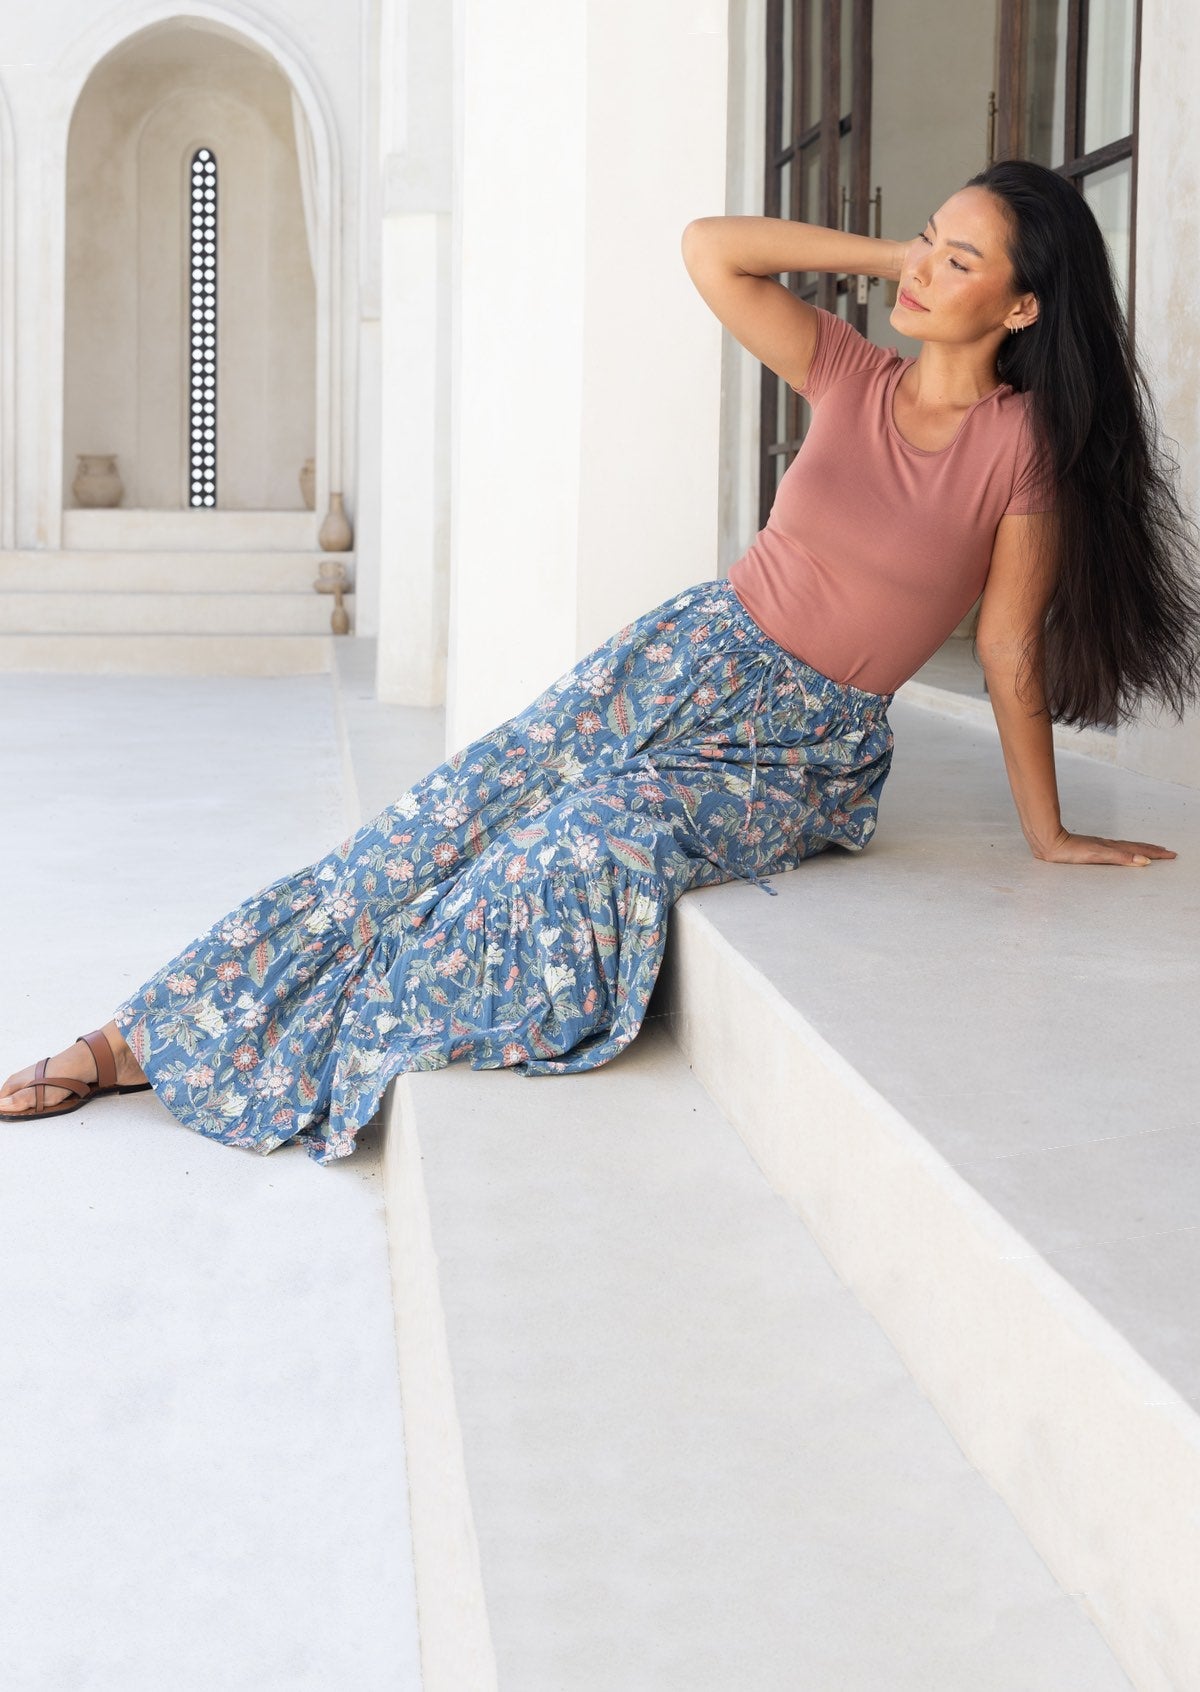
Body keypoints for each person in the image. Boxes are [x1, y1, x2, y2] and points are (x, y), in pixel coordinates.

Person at [4, 157, 1198, 1160]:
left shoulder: (1020, 446)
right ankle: (141, 1034)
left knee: (569, 847)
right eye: (929, 241)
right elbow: (709, 248)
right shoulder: (848, 370)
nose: (926, 271)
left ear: (1023, 308)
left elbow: (1007, 647)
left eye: (959, 260)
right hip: (684, 655)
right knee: (432, 827)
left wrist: (1049, 833)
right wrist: (898, 256)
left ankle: (304, 1050)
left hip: (794, 752)